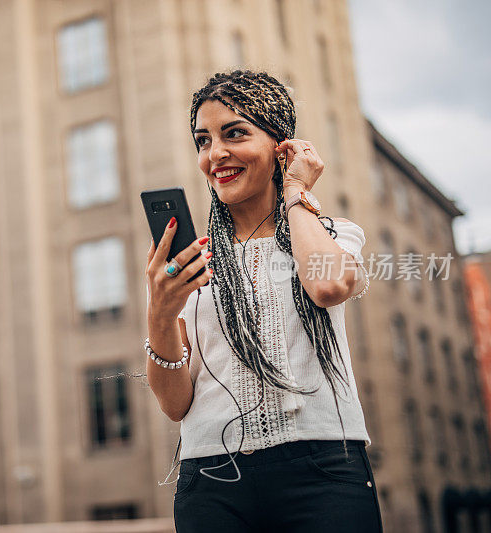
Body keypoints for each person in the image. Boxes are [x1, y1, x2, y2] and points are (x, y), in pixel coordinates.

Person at [143, 70, 383, 532]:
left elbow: (328, 286)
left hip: (325, 472)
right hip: (213, 480)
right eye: (203, 140)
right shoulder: (192, 259)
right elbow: (175, 404)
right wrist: (160, 310)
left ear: (281, 146)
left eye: (234, 133)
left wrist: (295, 191)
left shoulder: (332, 234)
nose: (216, 154)